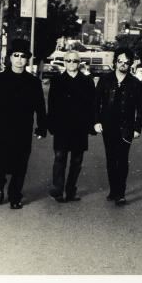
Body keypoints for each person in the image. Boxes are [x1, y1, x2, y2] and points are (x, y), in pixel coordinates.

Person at [0, 39, 47, 209]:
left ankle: (15, 196)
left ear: (27, 59)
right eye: (16, 55)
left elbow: (40, 107)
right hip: (1, 128)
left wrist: (41, 127)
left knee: (20, 165)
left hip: (23, 129)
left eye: (23, 56)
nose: (19, 59)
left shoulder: (33, 82)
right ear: (11, 57)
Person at [94, 47, 142, 206]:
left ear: (130, 64)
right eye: (120, 61)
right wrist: (96, 121)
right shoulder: (105, 80)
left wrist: (137, 128)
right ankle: (113, 190)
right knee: (111, 159)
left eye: (127, 62)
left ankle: (120, 193)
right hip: (108, 125)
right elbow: (96, 102)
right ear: (115, 62)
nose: (123, 64)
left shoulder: (136, 84)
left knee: (122, 159)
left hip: (126, 127)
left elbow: (141, 108)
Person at [47, 50, 96, 202]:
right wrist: (51, 124)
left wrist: (92, 125)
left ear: (79, 63)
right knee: (59, 158)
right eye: (68, 60)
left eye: (75, 61)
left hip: (80, 128)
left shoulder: (87, 81)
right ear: (64, 62)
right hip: (62, 127)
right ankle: (58, 190)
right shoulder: (57, 81)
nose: (71, 63)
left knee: (77, 161)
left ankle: (71, 191)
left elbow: (93, 105)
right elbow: (52, 104)